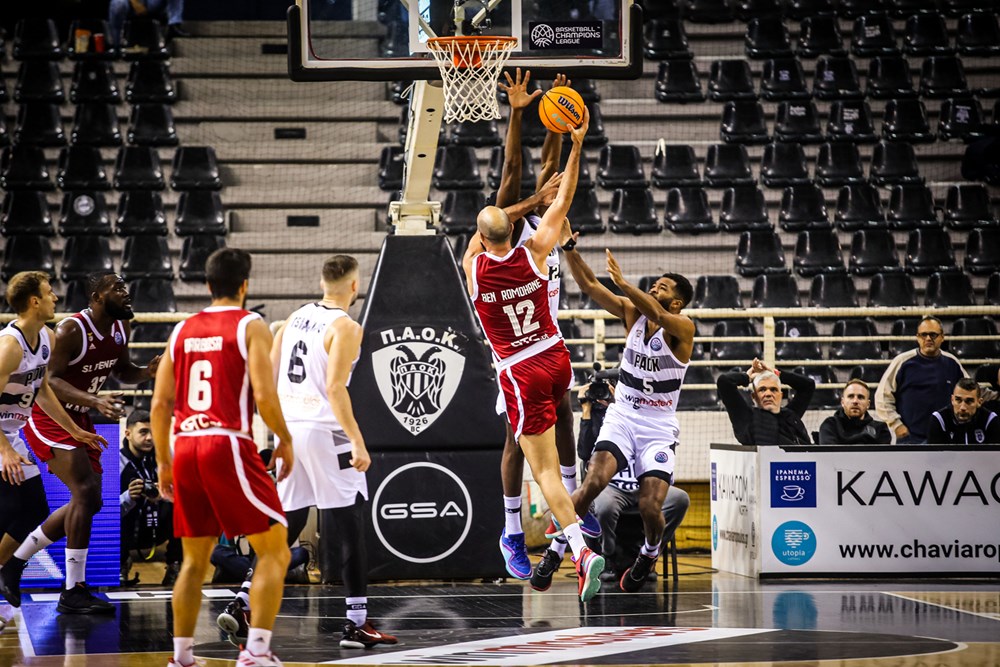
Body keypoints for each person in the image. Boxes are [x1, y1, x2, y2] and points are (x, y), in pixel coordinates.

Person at [462, 105, 607, 602]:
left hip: (520, 369)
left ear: (482, 239)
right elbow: (563, 199)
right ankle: (569, 525)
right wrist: (577, 143)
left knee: (541, 470)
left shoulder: (475, 269)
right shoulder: (536, 253)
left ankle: (580, 551)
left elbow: (490, 228)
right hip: (556, 356)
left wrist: (521, 206)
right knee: (544, 439)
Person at [216, 255, 397, 650]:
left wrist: (274, 432)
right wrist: (358, 440)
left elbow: (269, 372)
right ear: (354, 286)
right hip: (325, 432)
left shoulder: (295, 317)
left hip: (291, 429)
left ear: (321, 282)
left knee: (290, 522)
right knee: (350, 525)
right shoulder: (347, 326)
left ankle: (243, 601)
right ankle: (356, 623)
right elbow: (335, 388)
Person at [151, 248, 295, 667]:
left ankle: (181, 658)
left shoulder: (181, 330)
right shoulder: (251, 324)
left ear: (208, 285)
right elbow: (265, 396)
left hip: (185, 447)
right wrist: (284, 439)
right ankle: (257, 653)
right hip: (226, 442)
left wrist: (163, 461)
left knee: (195, 561)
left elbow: (160, 405)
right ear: (245, 285)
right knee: (276, 551)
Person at [489, 69, 600, 581]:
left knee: (567, 420)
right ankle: (512, 529)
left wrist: (558, 111)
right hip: (517, 352)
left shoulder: (541, 227)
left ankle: (573, 510)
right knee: (517, 442)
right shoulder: (511, 239)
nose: (543, 190)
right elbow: (514, 167)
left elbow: (550, 169)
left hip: (548, 342)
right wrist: (517, 112)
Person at [8, 272, 157, 614]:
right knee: (86, 494)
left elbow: (122, 371)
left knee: (89, 503)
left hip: (80, 417)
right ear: (97, 297)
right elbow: (50, 380)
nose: (127, 293)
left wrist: (146, 372)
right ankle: (72, 590)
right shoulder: (71, 330)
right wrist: (93, 401)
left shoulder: (122, 329)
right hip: (48, 416)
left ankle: (15, 563)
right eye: (118, 288)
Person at [551, 239, 695, 592]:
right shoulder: (633, 314)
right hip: (624, 416)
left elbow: (659, 316)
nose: (653, 288)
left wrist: (624, 283)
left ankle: (649, 552)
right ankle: (559, 552)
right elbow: (588, 285)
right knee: (594, 481)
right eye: (653, 285)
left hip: (658, 427)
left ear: (676, 302)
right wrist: (569, 247)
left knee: (650, 505)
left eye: (661, 288)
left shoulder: (683, 327)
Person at [0, 272, 108, 612]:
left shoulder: (46, 337)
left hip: (10, 435)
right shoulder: (9, 346)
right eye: (49, 293)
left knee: (34, 509)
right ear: (34, 301)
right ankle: (7, 570)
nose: (55, 298)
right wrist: (3, 449)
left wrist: (73, 430)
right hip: (1, 440)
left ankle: (7, 570)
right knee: (14, 512)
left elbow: (42, 390)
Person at [875, 316, 968, 444]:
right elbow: (882, 397)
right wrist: (896, 425)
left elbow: (971, 391)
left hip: (946, 440)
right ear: (917, 337)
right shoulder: (902, 362)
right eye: (924, 335)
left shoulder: (952, 363)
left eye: (933, 334)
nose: (928, 338)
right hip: (910, 441)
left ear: (942, 337)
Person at [120, 409, 181, 586]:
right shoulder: (116, 462)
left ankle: (174, 566)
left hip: (156, 525)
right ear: (128, 434)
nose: (149, 438)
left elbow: (184, 492)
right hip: (129, 528)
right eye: (143, 432)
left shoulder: (165, 455)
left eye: (153, 432)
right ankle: (121, 564)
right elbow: (104, 510)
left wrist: (164, 494)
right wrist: (129, 497)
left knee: (183, 506)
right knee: (118, 512)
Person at [717, 359, 815, 446]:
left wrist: (777, 374)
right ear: (754, 397)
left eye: (773, 390)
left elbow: (808, 386)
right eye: (762, 390)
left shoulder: (790, 415)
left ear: (780, 395)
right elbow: (724, 382)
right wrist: (747, 377)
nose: (768, 394)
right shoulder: (747, 419)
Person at [817, 379, 892, 445]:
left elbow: (880, 458)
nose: (855, 401)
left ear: (868, 404)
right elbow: (831, 456)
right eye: (850, 396)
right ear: (842, 402)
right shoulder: (830, 425)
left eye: (860, 397)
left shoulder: (880, 429)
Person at [928, 378, 1000, 445]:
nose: (963, 407)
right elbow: (935, 457)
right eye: (958, 400)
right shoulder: (940, 419)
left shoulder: (989, 420)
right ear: (952, 400)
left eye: (969, 401)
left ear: (979, 402)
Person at [109, 0, 187, 47]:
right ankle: (116, 45)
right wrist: (135, 3)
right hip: (130, 4)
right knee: (118, 5)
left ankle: (174, 26)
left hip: (151, 3)